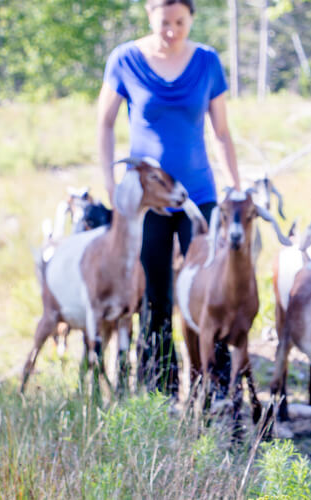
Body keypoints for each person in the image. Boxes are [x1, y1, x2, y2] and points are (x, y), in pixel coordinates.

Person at [97, 0, 240, 397]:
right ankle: (158, 388)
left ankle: (216, 386)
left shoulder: (207, 61)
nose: (173, 31)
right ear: (149, 16)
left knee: (212, 290)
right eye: (164, 23)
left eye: (180, 22)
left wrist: (236, 185)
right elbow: (105, 123)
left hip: (198, 195)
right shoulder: (125, 59)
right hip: (146, 200)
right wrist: (110, 180)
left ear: (191, 18)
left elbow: (222, 132)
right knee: (156, 296)